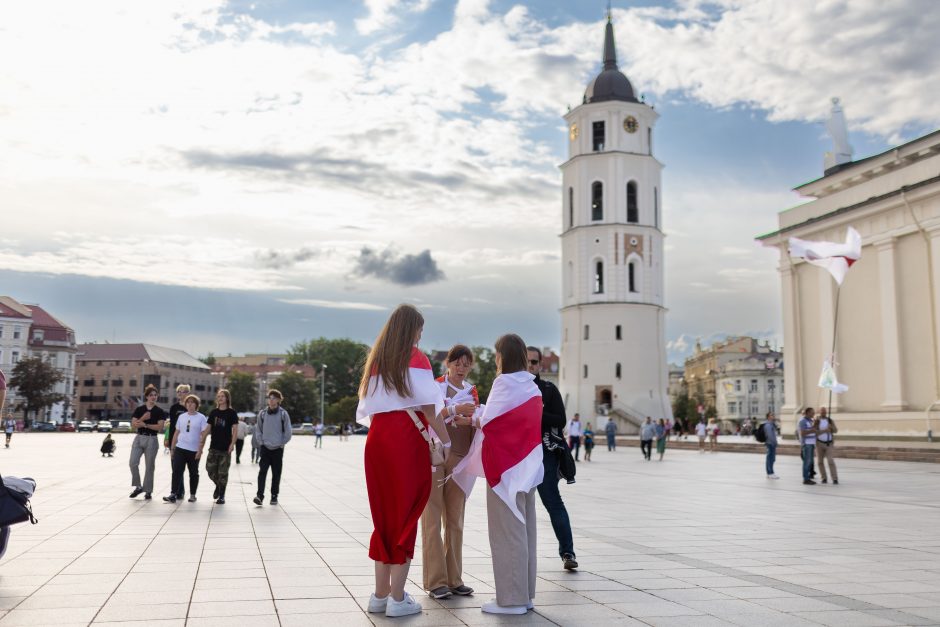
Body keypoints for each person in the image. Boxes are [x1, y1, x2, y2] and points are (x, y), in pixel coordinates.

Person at [355, 304, 449, 618]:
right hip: (406, 440)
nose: (422, 335)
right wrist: (445, 442)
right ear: (412, 329)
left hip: (378, 439)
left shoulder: (377, 360)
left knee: (383, 517)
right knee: (407, 515)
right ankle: (398, 598)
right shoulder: (416, 358)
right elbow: (428, 409)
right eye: (420, 329)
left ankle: (379, 596)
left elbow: (369, 408)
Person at [453, 335, 543, 615]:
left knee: (506, 532)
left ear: (503, 356)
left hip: (504, 468)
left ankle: (511, 600)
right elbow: (515, 420)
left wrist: (471, 417)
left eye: (496, 355)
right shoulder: (532, 386)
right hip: (528, 467)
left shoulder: (504, 382)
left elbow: (492, 420)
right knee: (525, 531)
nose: (495, 360)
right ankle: (524, 594)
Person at [421, 344, 478, 601]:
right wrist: (453, 410)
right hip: (435, 453)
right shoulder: (435, 386)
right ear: (449, 363)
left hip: (460, 456)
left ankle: (455, 579)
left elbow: (476, 422)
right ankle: (436, 581)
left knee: (455, 519)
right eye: (458, 362)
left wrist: (471, 418)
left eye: (467, 364)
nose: (462, 368)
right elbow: (429, 416)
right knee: (432, 515)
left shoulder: (472, 391)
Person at [527, 346, 578, 571]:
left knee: (552, 501)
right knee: (516, 505)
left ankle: (567, 552)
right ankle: (520, 553)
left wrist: (535, 412)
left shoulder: (548, 389)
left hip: (545, 452)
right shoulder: (509, 387)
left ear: (540, 365)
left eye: (534, 362)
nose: (530, 366)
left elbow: (561, 419)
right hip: (518, 455)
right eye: (526, 361)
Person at [164, 394, 209, 503]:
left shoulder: (201, 417)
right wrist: (172, 448)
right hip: (180, 448)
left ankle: (193, 495)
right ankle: (173, 494)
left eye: (192, 402)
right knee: (176, 471)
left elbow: (204, 435)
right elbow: (176, 433)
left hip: (194, 450)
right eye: (188, 402)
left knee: (193, 473)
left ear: (196, 405)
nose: (190, 404)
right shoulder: (181, 416)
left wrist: (200, 449)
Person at [253, 390, 292, 506]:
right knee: (262, 472)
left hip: (278, 449)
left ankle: (274, 496)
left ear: (279, 400)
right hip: (265, 448)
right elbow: (258, 429)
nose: (271, 399)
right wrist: (261, 442)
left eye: (274, 398)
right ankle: (259, 496)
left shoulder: (283, 414)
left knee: (276, 473)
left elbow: (288, 431)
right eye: (270, 397)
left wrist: (282, 443)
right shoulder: (262, 413)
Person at [129, 385, 166, 500]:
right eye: (151, 395)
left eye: (155, 395)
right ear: (146, 396)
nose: (153, 397)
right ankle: (139, 486)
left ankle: (148, 491)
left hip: (152, 439)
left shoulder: (159, 411)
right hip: (139, 438)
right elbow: (133, 425)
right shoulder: (139, 409)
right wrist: (144, 418)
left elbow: (160, 427)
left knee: (149, 466)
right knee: (133, 462)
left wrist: (145, 424)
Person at [206, 389, 238, 505]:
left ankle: (222, 496)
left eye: (222, 396)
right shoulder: (214, 412)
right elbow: (208, 428)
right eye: (218, 396)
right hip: (213, 447)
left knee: (223, 473)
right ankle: (218, 486)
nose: (220, 398)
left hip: (225, 448)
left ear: (227, 399)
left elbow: (235, 430)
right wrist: (201, 438)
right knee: (210, 470)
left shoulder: (231, 413)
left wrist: (232, 444)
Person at [165, 385, 189, 495]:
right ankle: (179, 491)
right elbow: (171, 426)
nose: (180, 393)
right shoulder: (173, 408)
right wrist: (167, 439)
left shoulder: (190, 408)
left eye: (183, 391)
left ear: (188, 393)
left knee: (185, 468)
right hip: (174, 440)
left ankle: (182, 491)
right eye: (178, 391)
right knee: (175, 467)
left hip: (187, 441)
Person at [815, 407, 839, 484]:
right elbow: (815, 432)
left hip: (829, 443)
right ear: (819, 412)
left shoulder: (830, 420)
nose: (823, 413)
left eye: (824, 412)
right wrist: (824, 430)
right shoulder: (817, 421)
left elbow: (836, 430)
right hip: (819, 443)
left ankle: (834, 478)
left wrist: (831, 427)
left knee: (830, 460)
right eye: (822, 412)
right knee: (820, 462)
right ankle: (824, 477)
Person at [798, 407, 817, 485]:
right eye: (812, 412)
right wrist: (812, 430)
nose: (813, 414)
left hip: (812, 443)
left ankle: (808, 477)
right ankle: (805, 479)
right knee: (807, 462)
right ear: (808, 413)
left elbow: (812, 429)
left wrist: (815, 425)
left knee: (810, 462)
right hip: (807, 444)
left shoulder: (810, 421)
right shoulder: (803, 421)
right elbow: (802, 433)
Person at [761, 412, 779, 479]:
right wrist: (774, 442)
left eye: (773, 415)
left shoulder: (771, 424)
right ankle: (770, 473)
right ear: (768, 417)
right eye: (771, 415)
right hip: (770, 443)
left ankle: (770, 473)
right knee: (770, 459)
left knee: (772, 459)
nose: (773, 416)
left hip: (771, 443)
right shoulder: (768, 425)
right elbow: (770, 436)